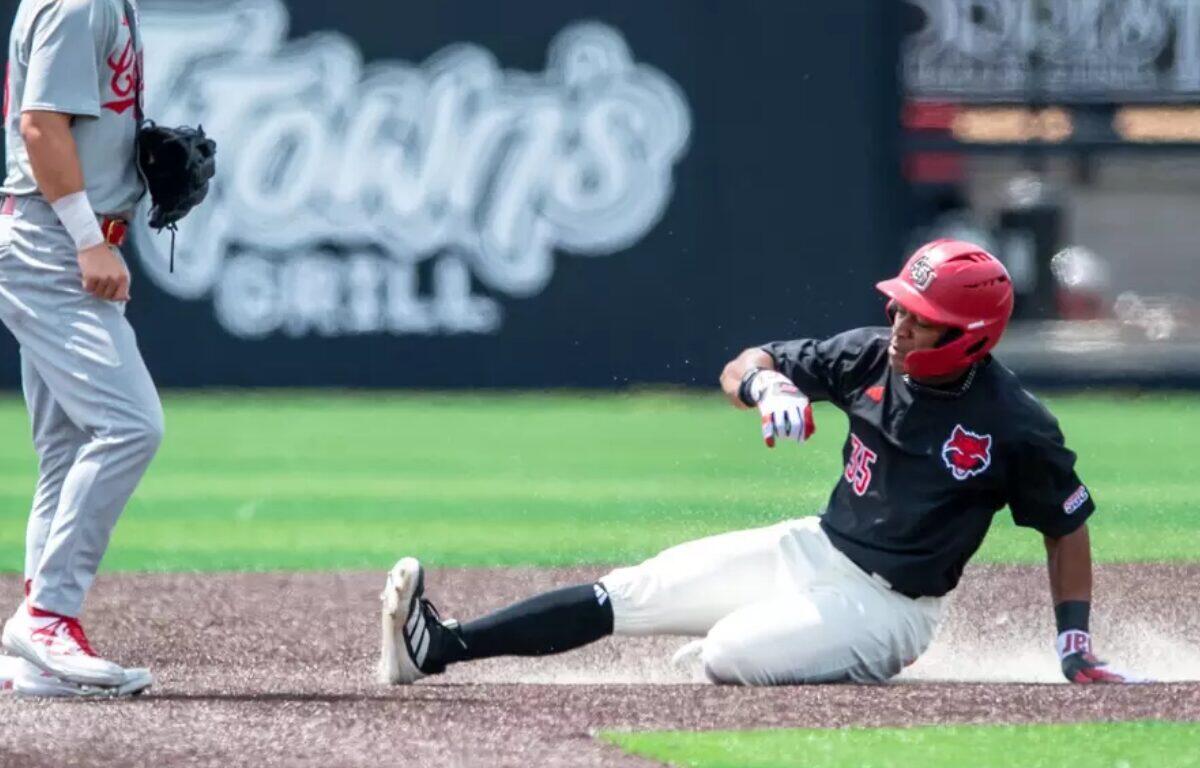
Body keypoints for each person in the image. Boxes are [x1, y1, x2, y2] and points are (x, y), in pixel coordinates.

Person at [378, 239, 1140, 686]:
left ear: (972, 335)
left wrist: (1073, 641)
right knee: (631, 591)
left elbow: (1065, 526)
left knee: (729, 652)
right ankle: (442, 647)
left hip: (891, 609)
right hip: (814, 546)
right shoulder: (870, 353)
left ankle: (761, 646)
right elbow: (746, 362)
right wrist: (765, 382)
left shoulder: (1016, 426)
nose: (902, 324)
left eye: (926, 319)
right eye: (903, 306)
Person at [0, 0, 159, 697]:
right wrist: (88, 237)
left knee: (67, 448)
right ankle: (47, 618)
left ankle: (31, 657)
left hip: (55, 233)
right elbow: (40, 127)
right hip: (52, 242)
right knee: (130, 426)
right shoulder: (79, 1)